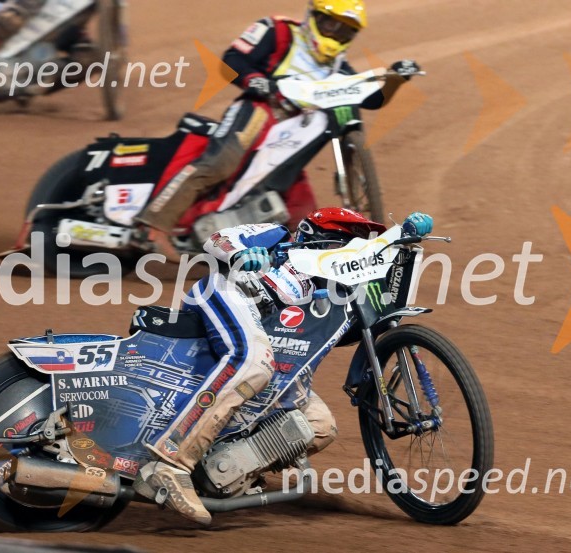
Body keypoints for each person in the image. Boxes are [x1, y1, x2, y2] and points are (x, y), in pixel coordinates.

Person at [133, 207, 434, 525]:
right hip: (226, 292)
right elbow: (217, 240)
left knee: (320, 425)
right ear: (318, 237)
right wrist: (243, 255)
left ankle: (221, 472)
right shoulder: (279, 238)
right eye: (346, 242)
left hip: (262, 345)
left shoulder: (334, 297)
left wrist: (404, 233)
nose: (353, 254)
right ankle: (171, 464)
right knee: (254, 361)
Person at [134, 0, 424, 261]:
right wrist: (256, 80)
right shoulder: (278, 30)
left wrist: (396, 79)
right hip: (260, 110)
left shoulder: (338, 68)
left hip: (294, 136)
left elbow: (371, 99)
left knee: (301, 212)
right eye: (331, 24)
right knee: (221, 163)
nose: (336, 35)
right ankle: (154, 226)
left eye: (346, 31)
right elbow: (233, 57)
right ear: (314, 16)